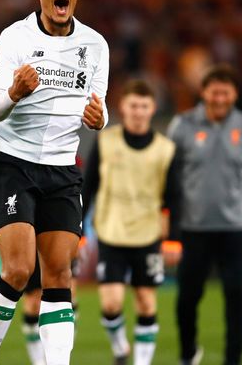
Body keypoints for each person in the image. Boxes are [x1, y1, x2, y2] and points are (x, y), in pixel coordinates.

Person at [0, 0, 109, 365]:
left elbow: (101, 112)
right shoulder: (13, 39)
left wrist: (100, 120)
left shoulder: (96, 46)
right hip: (13, 162)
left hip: (62, 169)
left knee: (59, 275)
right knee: (17, 270)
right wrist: (14, 92)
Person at [167, 65, 242, 365]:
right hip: (192, 227)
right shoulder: (182, 125)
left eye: (226, 92)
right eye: (215, 91)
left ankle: (232, 360)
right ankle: (188, 353)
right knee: (187, 298)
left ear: (234, 94)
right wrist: (169, 229)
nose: (220, 98)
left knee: (236, 295)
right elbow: (169, 180)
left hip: (235, 226)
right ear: (204, 92)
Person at [81, 79, 178, 365]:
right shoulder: (105, 141)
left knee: (146, 302)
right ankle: (120, 346)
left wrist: (173, 238)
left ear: (153, 109)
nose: (138, 111)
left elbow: (174, 197)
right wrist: (80, 231)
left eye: (144, 106)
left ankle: (141, 362)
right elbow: (88, 187)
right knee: (110, 305)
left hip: (147, 235)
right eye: (133, 105)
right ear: (122, 107)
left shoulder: (165, 149)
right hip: (111, 233)